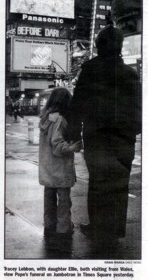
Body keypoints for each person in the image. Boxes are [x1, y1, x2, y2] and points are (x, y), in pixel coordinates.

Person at [68, 25, 142, 249]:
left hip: (97, 138)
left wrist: (73, 133)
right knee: (119, 185)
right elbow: (139, 110)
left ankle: (98, 229)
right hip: (123, 141)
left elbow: (78, 104)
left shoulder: (90, 69)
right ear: (119, 46)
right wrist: (131, 131)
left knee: (98, 184)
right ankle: (115, 229)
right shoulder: (130, 73)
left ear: (99, 45)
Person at [38, 87, 81, 238]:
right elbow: (57, 145)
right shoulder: (60, 119)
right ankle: (63, 228)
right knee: (63, 200)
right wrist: (72, 147)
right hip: (60, 168)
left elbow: (49, 141)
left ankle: (49, 225)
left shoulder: (47, 117)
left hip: (47, 167)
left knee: (49, 199)